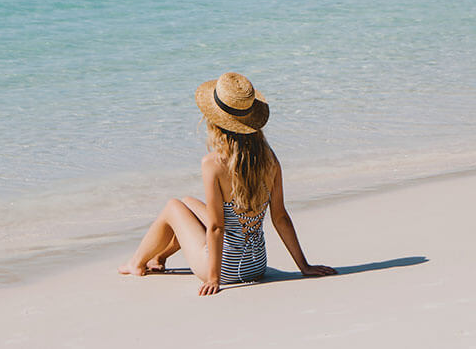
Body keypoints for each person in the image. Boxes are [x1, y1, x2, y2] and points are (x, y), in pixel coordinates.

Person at [118, 72, 337, 295]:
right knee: (188, 203)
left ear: (215, 122)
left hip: (225, 270)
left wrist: (214, 278)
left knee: (173, 207)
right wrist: (304, 266)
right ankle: (159, 257)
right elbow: (280, 217)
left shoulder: (213, 163)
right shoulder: (269, 159)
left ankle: (136, 263)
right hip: (256, 265)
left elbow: (216, 227)